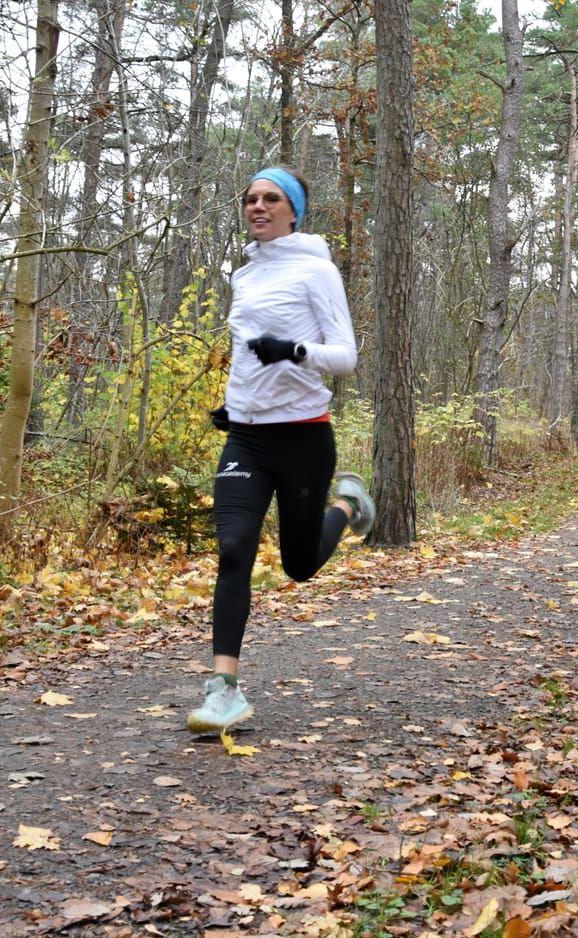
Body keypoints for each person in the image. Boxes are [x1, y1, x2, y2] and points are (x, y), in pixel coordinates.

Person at [186, 166, 376, 735]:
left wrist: (293, 351)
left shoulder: (317, 270)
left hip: (303, 436)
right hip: (247, 436)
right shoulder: (245, 276)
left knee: (297, 565)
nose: (258, 207)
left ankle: (346, 508)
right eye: (250, 199)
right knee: (234, 548)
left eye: (271, 199)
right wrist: (234, 405)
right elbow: (245, 356)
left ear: (294, 211)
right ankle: (224, 691)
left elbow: (345, 356)